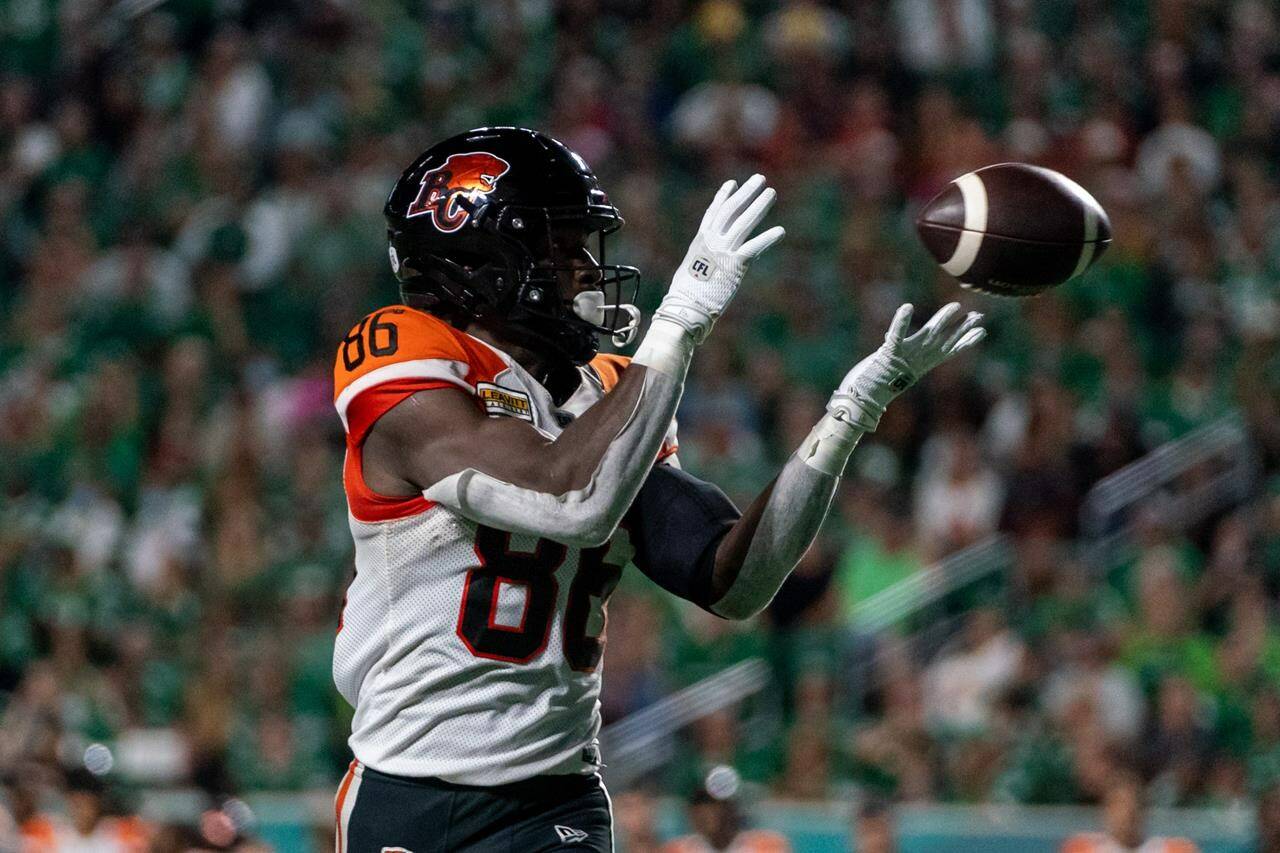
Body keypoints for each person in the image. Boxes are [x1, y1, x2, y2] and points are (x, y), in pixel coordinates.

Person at [330, 126, 986, 850]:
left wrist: (848, 416)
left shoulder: (607, 391)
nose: (587, 267)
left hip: (553, 796)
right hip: (409, 785)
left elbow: (733, 577)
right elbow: (566, 498)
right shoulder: (404, 354)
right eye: (564, 248)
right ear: (483, 265)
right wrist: (682, 319)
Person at [1060, 772, 1198, 853]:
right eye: (1120, 806)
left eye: (1133, 806)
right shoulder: (1083, 848)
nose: (1127, 814)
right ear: (1106, 811)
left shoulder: (1175, 849)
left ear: (1143, 811)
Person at [661, 767, 789, 853]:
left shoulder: (768, 847)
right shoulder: (676, 850)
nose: (705, 815)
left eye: (715, 806)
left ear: (731, 810)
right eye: (700, 806)